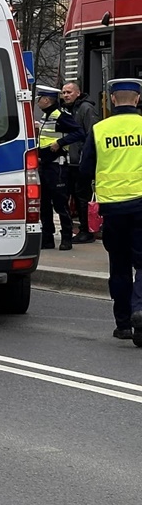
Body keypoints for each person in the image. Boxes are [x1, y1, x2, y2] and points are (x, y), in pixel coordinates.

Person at [79, 78, 142, 343]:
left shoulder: (99, 129)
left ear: (113, 99)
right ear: (138, 99)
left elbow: (84, 170)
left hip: (112, 209)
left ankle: (124, 324)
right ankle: (140, 308)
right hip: (141, 206)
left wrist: (86, 202)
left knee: (119, 266)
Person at [57, 81, 98, 242]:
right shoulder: (66, 110)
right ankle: (78, 229)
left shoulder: (86, 109)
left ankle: (86, 231)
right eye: (64, 92)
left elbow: (92, 135)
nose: (65, 95)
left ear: (78, 93)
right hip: (69, 161)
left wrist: (86, 158)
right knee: (72, 196)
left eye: (69, 92)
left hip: (81, 162)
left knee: (82, 197)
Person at [36, 86, 74, 251]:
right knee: (44, 204)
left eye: (40, 98)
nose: (38, 101)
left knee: (60, 204)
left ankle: (67, 237)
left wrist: (60, 143)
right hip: (44, 166)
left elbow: (79, 133)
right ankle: (48, 238)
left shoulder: (61, 116)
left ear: (47, 100)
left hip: (57, 167)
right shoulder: (46, 116)